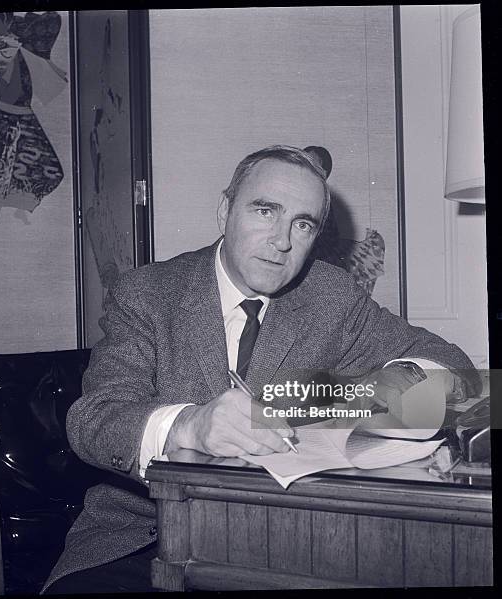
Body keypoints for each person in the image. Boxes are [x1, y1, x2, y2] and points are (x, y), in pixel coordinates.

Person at [42, 145, 480, 593]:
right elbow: (94, 420)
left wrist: (375, 393)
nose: (283, 240)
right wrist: (188, 426)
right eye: (265, 210)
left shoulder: (331, 298)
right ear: (224, 210)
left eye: (302, 223)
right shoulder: (148, 293)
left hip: (286, 536)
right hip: (142, 538)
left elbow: (456, 367)